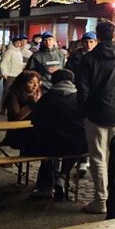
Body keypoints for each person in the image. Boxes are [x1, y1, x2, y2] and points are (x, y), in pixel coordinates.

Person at [76, 21, 115, 214]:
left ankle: (101, 199)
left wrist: (84, 111)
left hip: (96, 114)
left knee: (98, 157)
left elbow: (83, 90)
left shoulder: (89, 59)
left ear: (98, 36)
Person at [25, 69, 88, 199]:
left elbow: (34, 120)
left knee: (49, 148)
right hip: (75, 146)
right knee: (73, 147)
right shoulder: (79, 99)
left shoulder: (47, 99)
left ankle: (45, 186)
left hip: (49, 145)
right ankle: (63, 176)